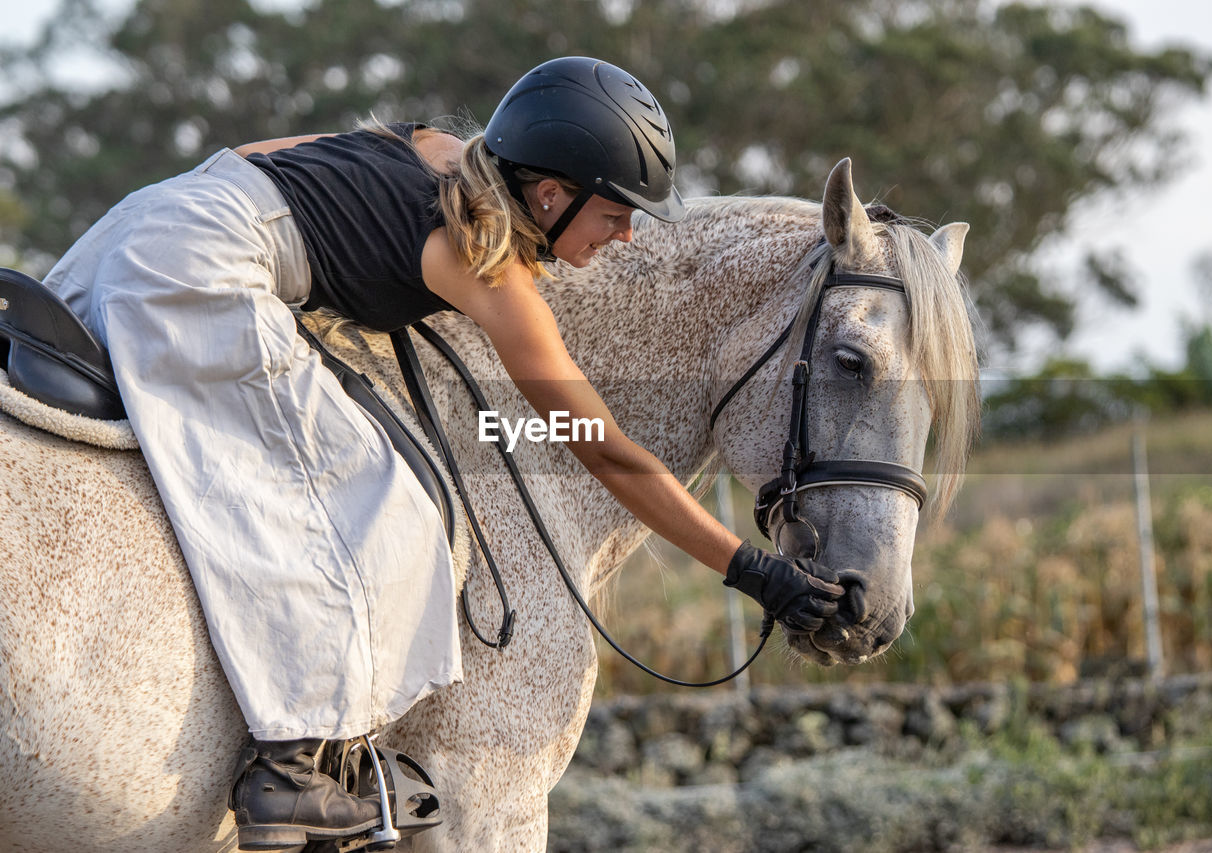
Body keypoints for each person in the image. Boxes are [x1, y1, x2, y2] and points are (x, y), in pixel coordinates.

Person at [42, 57, 846, 849]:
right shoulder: (488, 269)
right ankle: (294, 769)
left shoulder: (425, 147)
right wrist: (751, 568)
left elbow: (257, 160)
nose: (629, 233)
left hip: (142, 222)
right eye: (615, 212)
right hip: (203, 271)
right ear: (551, 195)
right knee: (375, 498)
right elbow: (602, 449)